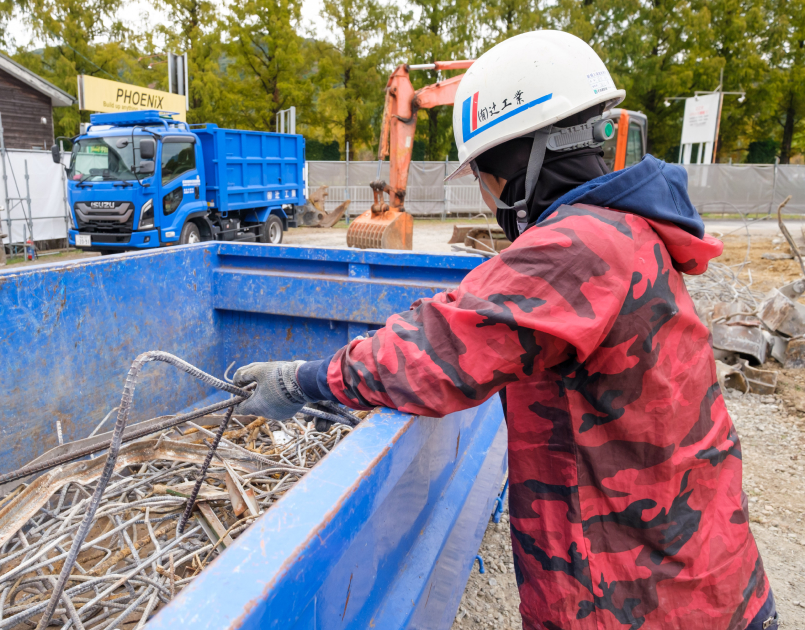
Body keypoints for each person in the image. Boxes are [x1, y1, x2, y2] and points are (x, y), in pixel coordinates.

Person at [233, 30, 778, 630]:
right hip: (694, 576)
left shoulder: (580, 247)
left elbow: (438, 349)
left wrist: (301, 381)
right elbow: (480, 310)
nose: (487, 193)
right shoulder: (626, 229)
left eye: (483, 173)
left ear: (521, 164)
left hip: (643, 602)